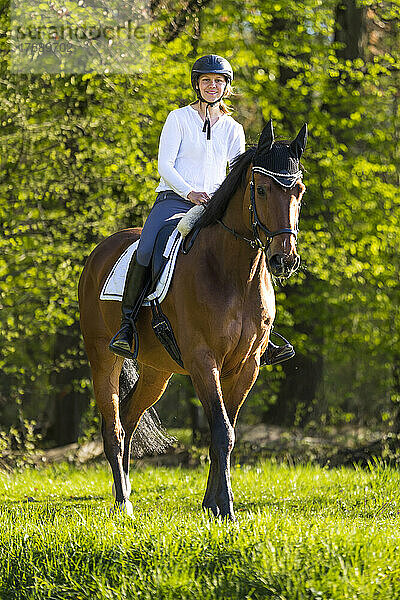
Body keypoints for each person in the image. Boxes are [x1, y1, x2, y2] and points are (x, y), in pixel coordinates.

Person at [109, 54, 294, 366]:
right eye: (206, 80)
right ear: (197, 84)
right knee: (146, 247)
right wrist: (189, 192)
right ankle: (128, 326)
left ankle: (265, 331)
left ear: (226, 87)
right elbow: (164, 165)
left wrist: (222, 199)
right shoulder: (178, 118)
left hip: (215, 205)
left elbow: (237, 174)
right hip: (174, 200)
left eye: (218, 81)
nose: (212, 86)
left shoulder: (233, 129)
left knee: (253, 248)